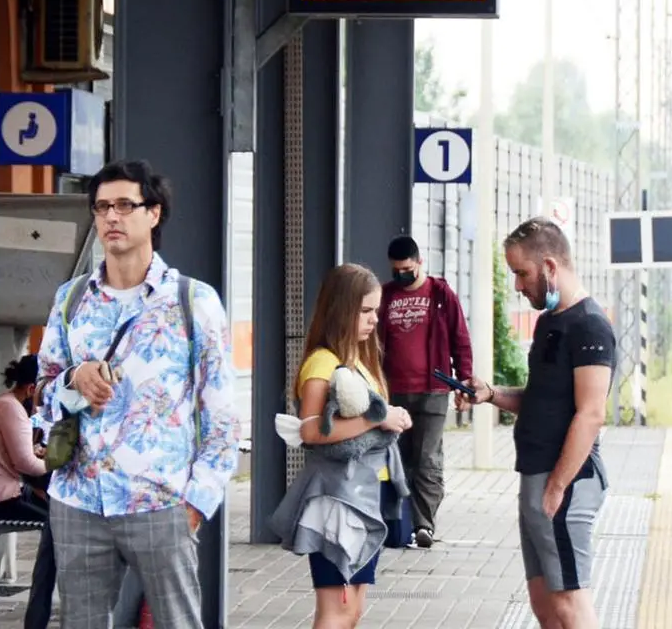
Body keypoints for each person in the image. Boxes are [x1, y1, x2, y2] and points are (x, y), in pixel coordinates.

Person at [36, 159, 241, 629]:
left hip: (161, 500)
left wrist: (195, 503)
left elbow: (222, 415)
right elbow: (43, 394)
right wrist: (73, 379)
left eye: (125, 205)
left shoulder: (193, 301)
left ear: (154, 213)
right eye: (102, 206)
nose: (112, 216)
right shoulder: (71, 299)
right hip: (80, 499)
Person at [455, 217, 614, 629]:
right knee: (544, 604)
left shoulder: (590, 326)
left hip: (565, 482)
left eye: (521, 274)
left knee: (569, 605)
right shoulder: (548, 325)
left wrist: (557, 487)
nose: (518, 285)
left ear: (549, 265)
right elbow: (542, 401)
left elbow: (591, 413)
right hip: (536, 477)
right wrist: (490, 394)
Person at [271, 263, 412, 629]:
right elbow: (311, 430)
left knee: (351, 610)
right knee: (337, 611)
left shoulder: (356, 360)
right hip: (339, 497)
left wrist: (389, 416)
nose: (373, 320)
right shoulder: (323, 362)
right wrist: (379, 419)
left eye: (375, 311)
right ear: (341, 309)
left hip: (364, 492)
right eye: (365, 311)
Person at [378, 235, 472, 548]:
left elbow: (460, 337)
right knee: (399, 458)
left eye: (407, 268)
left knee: (427, 457)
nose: (402, 274)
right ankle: (399, 522)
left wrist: (465, 380)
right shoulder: (386, 296)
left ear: (420, 263)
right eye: (396, 270)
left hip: (434, 388)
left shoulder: (440, 293)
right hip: (395, 390)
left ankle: (424, 524)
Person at [0, 355, 56, 629]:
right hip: (5, 493)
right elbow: (25, 463)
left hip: (4, 486)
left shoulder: (4, 403)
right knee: (56, 530)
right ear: (32, 388)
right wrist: (56, 462)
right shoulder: (12, 408)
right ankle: (37, 619)